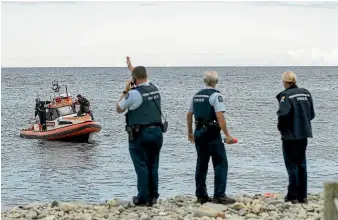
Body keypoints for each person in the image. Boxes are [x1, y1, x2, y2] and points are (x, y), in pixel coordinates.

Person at [115, 56, 164, 206]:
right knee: (153, 165)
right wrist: (131, 68)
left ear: (134, 79)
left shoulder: (133, 93)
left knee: (141, 165)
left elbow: (119, 108)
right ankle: (153, 196)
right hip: (157, 133)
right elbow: (141, 76)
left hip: (140, 134)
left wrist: (125, 90)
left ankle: (142, 198)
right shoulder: (155, 88)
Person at [186, 71, 237, 205]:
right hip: (212, 133)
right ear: (216, 81)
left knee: (201, 164)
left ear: (204, 81)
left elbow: (189, 115)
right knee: (220, 163)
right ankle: (219, 195)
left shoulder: (196, 96)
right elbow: (219, 116)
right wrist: (227, 135)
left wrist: (190, 132)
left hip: (198, 132)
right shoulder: (216, 96)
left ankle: (201, 195)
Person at [276, 71, 315, 204]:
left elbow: (283, 115)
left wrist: (281, 129)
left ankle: (292, 195)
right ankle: (303, 195)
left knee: (292, 165)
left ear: (285, 82)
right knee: (302, 164)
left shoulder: (285, 96)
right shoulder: (305, 93)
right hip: (303, 133)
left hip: (290, 135)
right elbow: (312, 114)